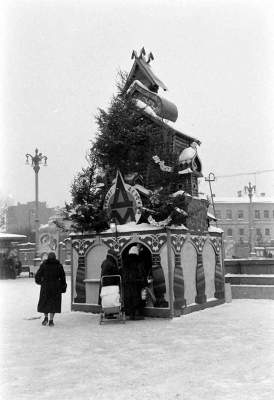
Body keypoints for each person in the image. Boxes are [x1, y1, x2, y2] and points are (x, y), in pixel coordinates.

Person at [35, 252, 67, 326]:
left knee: (45, 302)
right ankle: (51, 320)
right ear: (55, 257)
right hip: (55, 287)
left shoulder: (44, 265)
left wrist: (41, 282)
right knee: (54, 303)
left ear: (48, 258)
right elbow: (63, 277)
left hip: (45, 287)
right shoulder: (59, 265)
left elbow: (37, 276)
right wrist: (63, 286)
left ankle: (46, 317)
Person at [122, 245, 147, 320]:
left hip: (128, 284)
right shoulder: (139, 262)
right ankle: (138, 314)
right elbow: (142, 273)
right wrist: (144, 282)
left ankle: (131, 314)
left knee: (130, 299)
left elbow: (123, 274)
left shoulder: (125, 262)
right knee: (138, 298)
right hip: (137, 284)